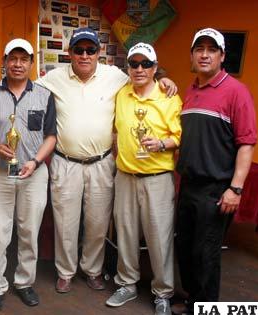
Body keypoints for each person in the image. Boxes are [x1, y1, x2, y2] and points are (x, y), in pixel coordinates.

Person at [0, 27, 177, 293]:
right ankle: (66, 271)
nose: (85, 55)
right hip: (65, 162)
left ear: (99, 53)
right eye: (79, 50)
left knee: (97, 223)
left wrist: (164, 78)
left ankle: (93, 269)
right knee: (65, 222)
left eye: (90, 50)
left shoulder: (116, 76)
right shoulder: (53, 78)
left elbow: (142, 74)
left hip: (101, 162)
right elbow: (20, 83)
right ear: (70, 53)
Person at [174, 28, 257, 313]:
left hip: (216, 189)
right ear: (193, 55)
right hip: (187, 184)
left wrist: (235, 188)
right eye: (200, 49)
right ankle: (192, 299)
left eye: (212, 49)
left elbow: (247, 143)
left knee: (206, 254)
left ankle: (204, 308)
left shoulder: (236, 92)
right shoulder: (191, 89)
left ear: (222, 56)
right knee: (184, 248)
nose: (205, 54)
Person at [0, 39, 57, 313]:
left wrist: (35, 162)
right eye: (13, 58)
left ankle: (24, 282)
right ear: (4, 61)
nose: (18, 64)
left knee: (29, 231)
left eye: (24, 59)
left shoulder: (44, 96)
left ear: (31, 63)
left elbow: (51, 137)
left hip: (33, 174)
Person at [105, 43, 181, 315]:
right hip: (125, 175)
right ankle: (127, 283)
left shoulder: (168, 95)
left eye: (145, 64)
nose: (139, 69)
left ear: (155, 68)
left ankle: (163, 292)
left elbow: (179, 136)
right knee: (126, 233)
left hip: (157, 178)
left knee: (159, 238)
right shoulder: (122, 93)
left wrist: (161, 144)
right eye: (134, 64)